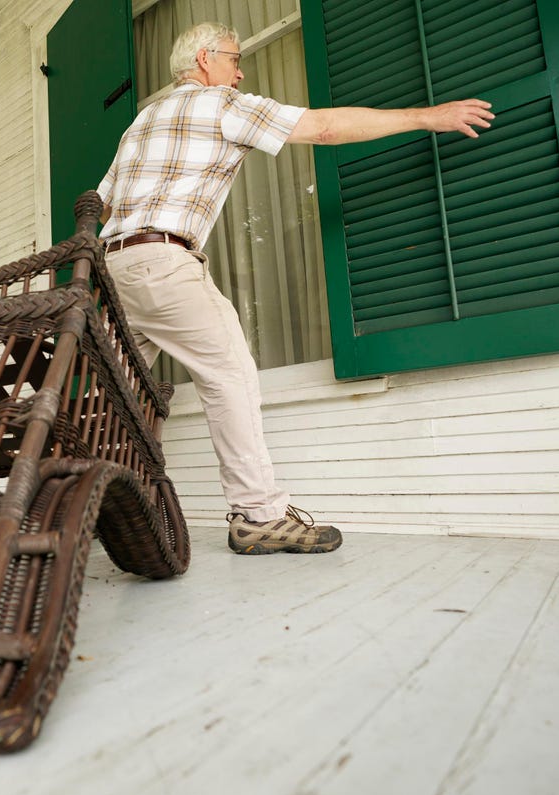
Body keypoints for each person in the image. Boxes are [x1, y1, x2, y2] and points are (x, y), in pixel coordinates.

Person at [96, 22, 493, 556]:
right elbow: (323, 127)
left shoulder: (141, 123)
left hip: (110, 271)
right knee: (229, 375)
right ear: (206, 60)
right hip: (163, 264)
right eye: (234, 61)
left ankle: (109, 509)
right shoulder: (219, 105)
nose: (240, 73)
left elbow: (98, 204)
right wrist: (427, 117)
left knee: (123, 399)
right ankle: (259, 515)